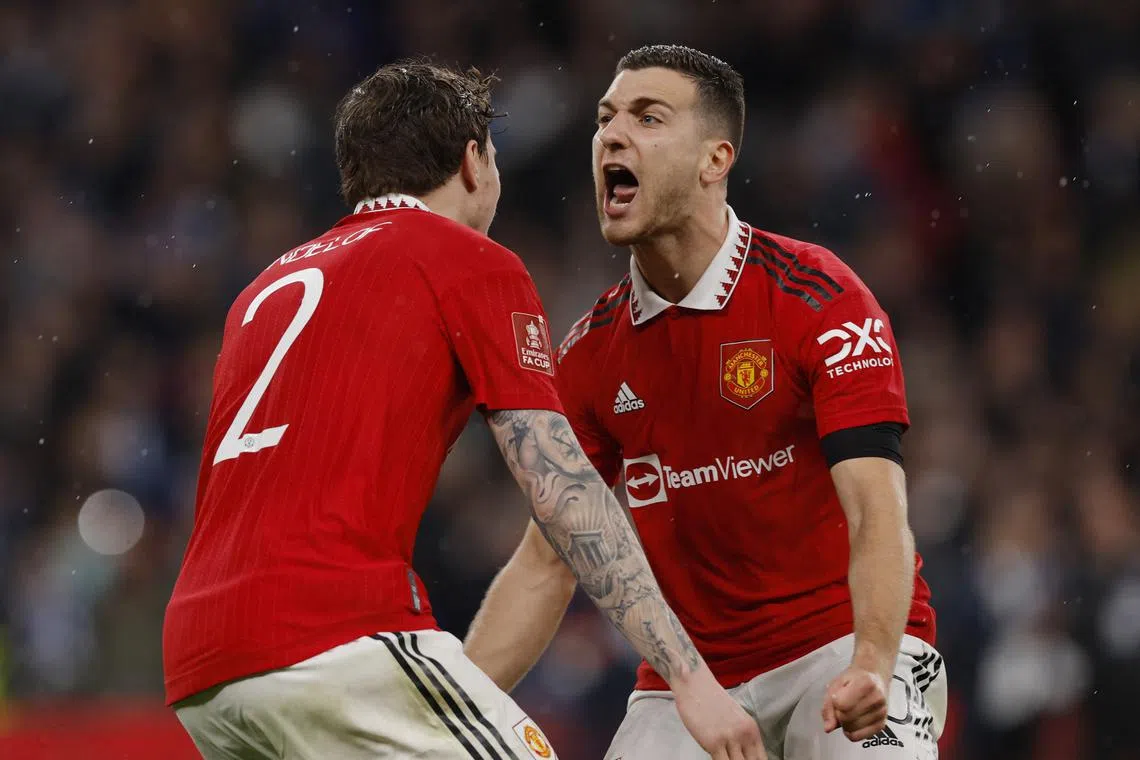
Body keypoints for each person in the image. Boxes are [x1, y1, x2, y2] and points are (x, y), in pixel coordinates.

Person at [162, 60, 764, 760]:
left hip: (205, 665)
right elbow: (563, 491)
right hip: (332, 631)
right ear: (473, 162)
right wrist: (690, 678)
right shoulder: (464, 259)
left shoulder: (263, 290)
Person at [463, 45, 947, 760]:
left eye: (648, 117)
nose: (613, 136)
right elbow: (547, 561)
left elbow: (877, 509)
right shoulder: (590, 352)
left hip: (845, 646)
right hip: (691, 685)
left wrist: (874, 661)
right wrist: (446, 709)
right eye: (606, 119)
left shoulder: (818, 296)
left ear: (714, 159)